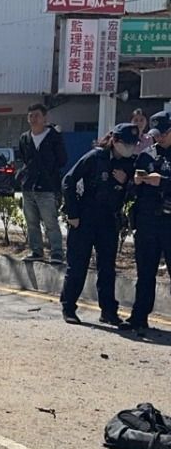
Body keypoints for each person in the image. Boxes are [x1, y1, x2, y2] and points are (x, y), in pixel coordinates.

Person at [58, 123, 139, 326]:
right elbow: (68, 181)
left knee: (107, 268)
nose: (130, 148)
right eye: (126, 143)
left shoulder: (130, 164)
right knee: (78, 265)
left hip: (109, 220)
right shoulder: (95, 157)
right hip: (85, 217)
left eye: (133, 144)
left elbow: (135, 191)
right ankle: (69, 307)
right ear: (115, 141)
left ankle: (109, 311)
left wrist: (126, 181)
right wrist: (73, 213)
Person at [121, 110, 171, 333]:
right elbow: (131, 187)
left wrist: (163, 182)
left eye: (164, 133)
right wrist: (136, 182)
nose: (160, 138)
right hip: (148, 221)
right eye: (156, 134)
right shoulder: (147, 155)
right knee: (145, 273)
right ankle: (139, 316)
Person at [17, 103, 69, 264]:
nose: (33, 119)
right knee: (31, 222)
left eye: (37, 115)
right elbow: (24, 159)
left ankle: (57, 253)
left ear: (45, 118)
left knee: (50, 222)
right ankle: (36, 251)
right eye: (30, 116)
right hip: (28, 186)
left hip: (47, 187)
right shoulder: (24, 138)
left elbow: (62, 159)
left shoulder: (54, 136)